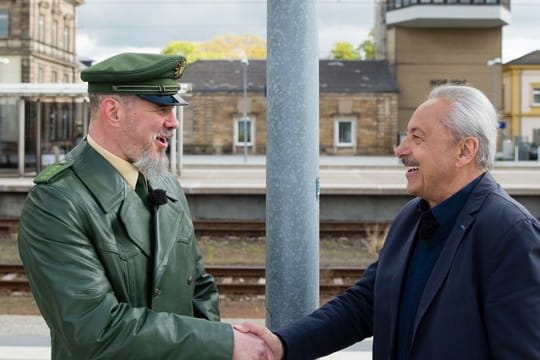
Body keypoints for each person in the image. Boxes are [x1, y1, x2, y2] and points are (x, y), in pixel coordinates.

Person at [237, 84, 540, 359]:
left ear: (465, 150)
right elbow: (364, 305)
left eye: (416, 138)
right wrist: (281, 344)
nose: (400, 150)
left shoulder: (510, 232)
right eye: (405, 137)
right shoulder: (413, 216)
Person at [18, 52, 273, 360]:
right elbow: (94, 331)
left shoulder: (164, 182)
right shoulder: (57, 200)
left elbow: (200, 288)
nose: (174, 122)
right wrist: (223, 344)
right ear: (113, 112)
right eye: (162, 108)